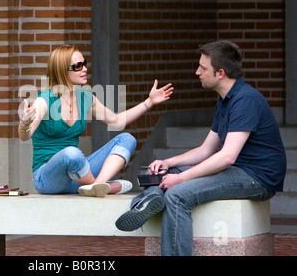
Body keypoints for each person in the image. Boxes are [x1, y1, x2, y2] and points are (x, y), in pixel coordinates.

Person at [115, 40, 287, 255]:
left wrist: (182, 179)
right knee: (163, 174)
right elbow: (206, 150)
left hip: (257, 178)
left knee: (177, 194)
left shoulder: (245, 100)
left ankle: (148, 199)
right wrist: (168, 162)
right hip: (237, 171)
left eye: (203, 68)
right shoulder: (225, 100)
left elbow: (227, 157)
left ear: (220, 73)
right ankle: (149, 199)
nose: (197, 72)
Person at [18, 45, 173, 197]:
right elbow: (25, 135)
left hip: (75, 178)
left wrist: (149, 102)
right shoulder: (44, 100)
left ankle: (97, 185)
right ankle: (101, 186)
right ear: (62, 70)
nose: (85, 69)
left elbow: (117, 121)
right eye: (78, 66)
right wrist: (25, 124)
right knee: (71, 154)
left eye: (84, 64)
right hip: (47, 179)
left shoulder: (85, 98)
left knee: (127, 139)